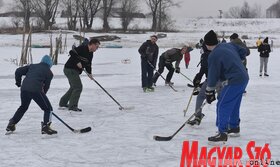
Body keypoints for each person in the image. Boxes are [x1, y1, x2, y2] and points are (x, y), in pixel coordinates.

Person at [203, 30, 249, 143]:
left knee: (222, 104)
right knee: (234, 103)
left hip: (234, 80)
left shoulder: (213, 55)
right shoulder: (228, 45)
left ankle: (222, 132)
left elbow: (213, 75)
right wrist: (239, 60)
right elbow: (244, 51)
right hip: (244, 78)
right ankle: (234, 127)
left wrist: (209, 91)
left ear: (207, 44)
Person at [6, 55, 57, 135]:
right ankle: (46, 127)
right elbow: (46, 87)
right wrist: (41, 98)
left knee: (23, 107)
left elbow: (18, 71)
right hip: (36, 90)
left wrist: (18, 82)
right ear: (50, 64)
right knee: (48, 108)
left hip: (24, 88)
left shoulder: (32, 66)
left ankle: (11, 124)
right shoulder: (49, 72)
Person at [59, 38, 100, 111]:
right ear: (92, 44)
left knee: (74, 87)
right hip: (69, 69)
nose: (97, 49)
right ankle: (72, 106)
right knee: (78, 87)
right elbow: (72, 52)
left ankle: (63, 102)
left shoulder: (91, 54)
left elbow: (88, 64)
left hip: (75, 71)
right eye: (96, 46)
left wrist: (89, 73)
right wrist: (77, 62)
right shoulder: (82, 48)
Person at [187, 43, 211, 126]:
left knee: (200, 97)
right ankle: (231, 122)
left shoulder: (206, 55)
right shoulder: (219, 52)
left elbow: (203, 68)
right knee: (223, 100)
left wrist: (198, 78)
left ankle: (198, 117)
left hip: (212, 80)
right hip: (225, 79)